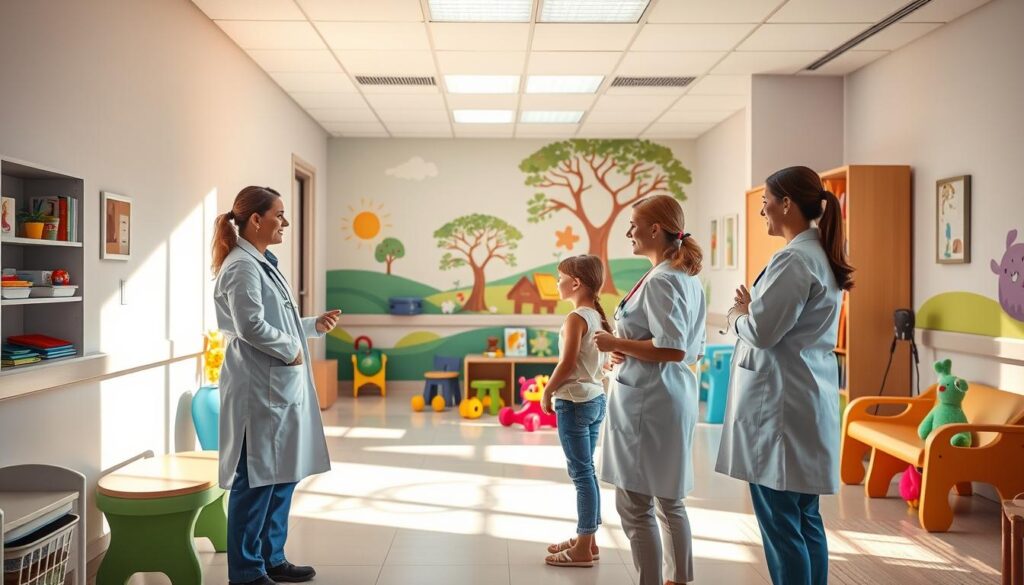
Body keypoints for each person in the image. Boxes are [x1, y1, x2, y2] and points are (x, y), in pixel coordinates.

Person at [715, 166, 854, 585]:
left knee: (781, 526)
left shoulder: (794, 259)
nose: (763, 213)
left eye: (765, 204)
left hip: (779, 408)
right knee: (804, 518)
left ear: (787, 204)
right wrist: (754, 309)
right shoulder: (819, 256)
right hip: (802, 399)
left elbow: (761, 331)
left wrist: (740, 314)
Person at [211, 185, 342, 585]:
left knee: (283, 474)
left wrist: (310, 326)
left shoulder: (263, 262)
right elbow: (250, 327)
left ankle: (272, 557)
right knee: (256, 481)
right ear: (256, 219)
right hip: (259, 390)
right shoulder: (242, 267)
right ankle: (248, 572)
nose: (284, 222)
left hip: (277, 387)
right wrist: (292, 349)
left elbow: (273, 321)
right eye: (279, 215)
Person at [595, 194, 706, 585]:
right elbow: (681, 345)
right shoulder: (683, 279)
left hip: (651, 401)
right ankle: (677, 580)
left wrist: (616, 345)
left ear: (655, 229)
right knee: (669, 501)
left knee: (635, 503)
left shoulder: (662, 281)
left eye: (634, 225)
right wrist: (622, 352)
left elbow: (672, 348)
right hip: (665, 396)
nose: (629, 232)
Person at [539, 255, 611, 568]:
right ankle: (588, 540)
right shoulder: (596, 315)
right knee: (588, 474)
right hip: (595, 399)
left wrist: (547, 390)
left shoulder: (575, 319)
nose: (557, 283)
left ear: (576, 283)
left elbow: (566, 365)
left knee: (581, 476)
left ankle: (583, 546)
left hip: (574, 402)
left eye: (560, 277)